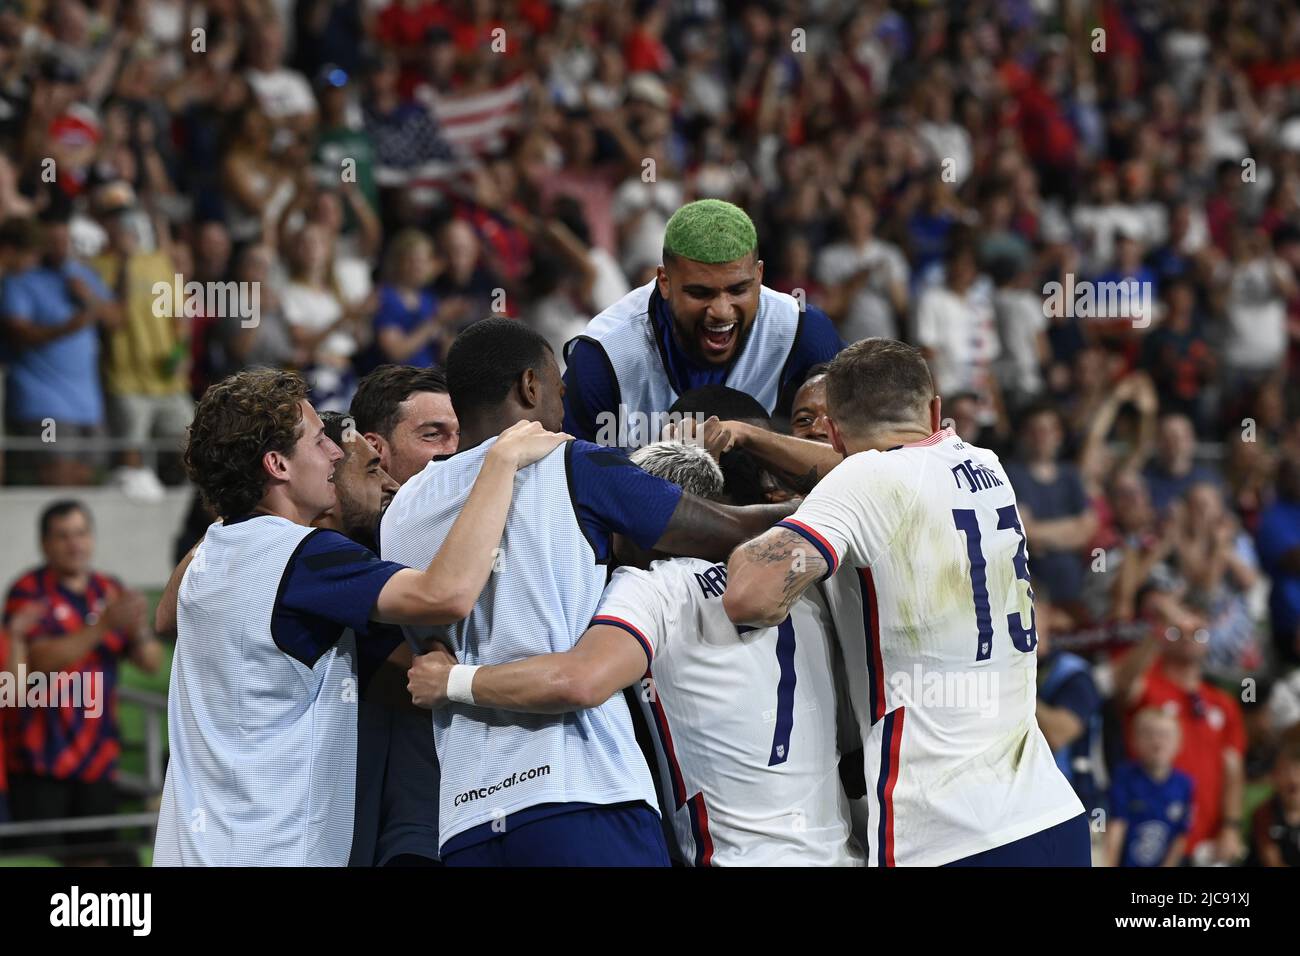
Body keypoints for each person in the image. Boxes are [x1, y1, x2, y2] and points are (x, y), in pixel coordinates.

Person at [380, 318, 796, 866]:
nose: (563, 408)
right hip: (585, 794)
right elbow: (730, 528)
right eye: (559, 391)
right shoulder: (570, 462)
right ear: (530, 386)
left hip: (466, 818)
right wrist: (842, 499)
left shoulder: (401, 510)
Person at [152, 368, 566, 866]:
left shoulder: (213, 551)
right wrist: (499, 463)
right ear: (277, 464)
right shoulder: (305, 556)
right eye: (317, 440)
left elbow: (164, 619)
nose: (333, 452)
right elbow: (448, 594)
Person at [407, 439, 863, 866]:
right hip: (845, 850)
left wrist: (451, 681)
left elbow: (580, 680)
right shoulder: (806, 587)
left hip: (739, 857)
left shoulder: (654, 586)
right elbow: (859, 470)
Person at [723, 337, 1087, 866]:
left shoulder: (859, 481)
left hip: (943, 834)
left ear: (832, 431)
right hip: (1049, 814)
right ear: (936, 411)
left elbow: (749, 597)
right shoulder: (988, 466)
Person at [562, 198, 842, 445]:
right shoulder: (604, 355)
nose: (721, 311)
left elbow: (867, 442)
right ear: (665, 282)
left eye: (738, 290)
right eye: (700, 293)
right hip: (632, 499)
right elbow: (571, 479)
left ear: (758, 276)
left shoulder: (799, 329)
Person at [2, 501, 163, 863]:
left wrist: (137, 629)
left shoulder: (109, 588)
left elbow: (151, 663)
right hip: (39, 759)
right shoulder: (28, 591)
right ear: (44, 544)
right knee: (42, 861)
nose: (74, 544)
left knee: (96, 860)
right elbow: (40, 662)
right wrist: (104, 625)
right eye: (63, 536)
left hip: (97, 757)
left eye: (81, 533)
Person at [346, 364, 459, 867]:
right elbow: (411, 682)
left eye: (460, 433)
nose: (454, 450)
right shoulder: (346, 554)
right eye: (433, 434)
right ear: (377, 448)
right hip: (403, 821)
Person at [1, 211, 118, 486]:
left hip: (88, 404)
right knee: (55, 476)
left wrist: (89, 300)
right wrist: (69, 327)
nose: (59, 246)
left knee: (95, 478)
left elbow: (116, 320)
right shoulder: (20, 279)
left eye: (64, 239)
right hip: (42, 401)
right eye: (52, 240)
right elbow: (18, 333)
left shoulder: (83, 276)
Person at [1104, 708, 1194, 867]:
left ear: (1179, 743)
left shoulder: (1185, 784)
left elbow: (1181, 837)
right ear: (1135, 740)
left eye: (1165, 736)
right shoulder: (1124, 777)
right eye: (1149, 735)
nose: (1157, 743)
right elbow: (1116, 828)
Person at [1247, 725, 1300, 867]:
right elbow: (1272, 861)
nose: (1292, 779)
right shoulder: (1265, 814)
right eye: (1285, 772)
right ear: (1274, 779)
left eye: (1297, 771)